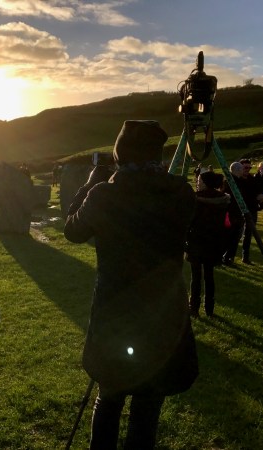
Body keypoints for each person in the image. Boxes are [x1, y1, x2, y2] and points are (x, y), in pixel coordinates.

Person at [64, 120, 198, 449]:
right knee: (148, 403)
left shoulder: (104, 195)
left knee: (109, 397)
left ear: (119, 154)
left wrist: (90, 184)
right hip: (163, 311)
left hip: (116, 311)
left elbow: (72, 231)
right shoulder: (181, 191)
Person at [186, 171, 230, 317]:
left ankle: (194, 307)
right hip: (214, 241)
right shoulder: (223, 199)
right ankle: (209, 307)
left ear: (205, 183)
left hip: (197, 240)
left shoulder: (196, 199)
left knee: (196, 276)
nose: (197, 182)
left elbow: (190, 220)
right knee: (209, 275)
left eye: (199, 180)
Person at [238, 159, 263, 264]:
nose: (248, 169)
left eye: (249, 167)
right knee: (235, 234)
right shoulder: (236, 180)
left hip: (252, 210)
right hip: (238, 210)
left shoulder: (252, 179)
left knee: (249, 234)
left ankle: (245, 257)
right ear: (240, 168)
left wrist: (261, 195)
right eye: (245, 167)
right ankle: (227, 256)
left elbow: (258, 190)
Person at [222, 162, 245, 266]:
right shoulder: (233, 182)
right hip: (233, 213)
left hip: (233, 213)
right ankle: (227, 258)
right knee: (232, 237)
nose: (243, 171)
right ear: (237, 170)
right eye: (242, 169)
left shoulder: (228, 181)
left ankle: (227, 257)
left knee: (232, 237)